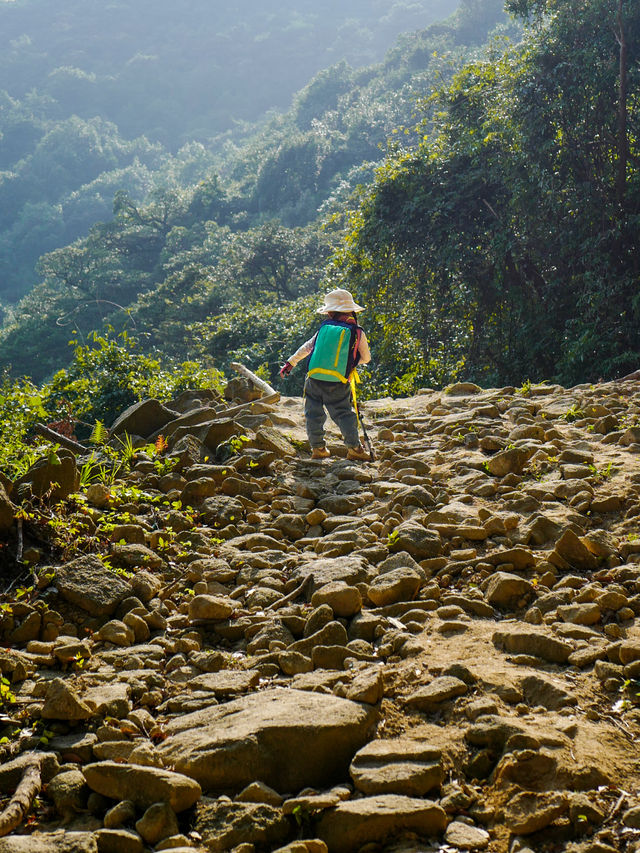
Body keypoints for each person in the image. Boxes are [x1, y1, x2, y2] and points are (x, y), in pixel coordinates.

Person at [280, 288, 371, 460]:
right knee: (343, 413)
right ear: (351, 310)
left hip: (313, 378)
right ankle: (354, 450)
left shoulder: (324, 328)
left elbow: (308, 347)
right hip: (338, 381)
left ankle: (319, 450)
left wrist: (291, 362)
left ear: (330, 312)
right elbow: (366, 358)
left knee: (313, 413)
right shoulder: (357, 331)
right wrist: (350, 363)